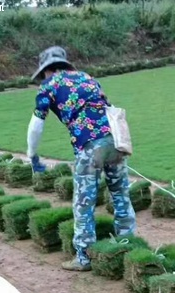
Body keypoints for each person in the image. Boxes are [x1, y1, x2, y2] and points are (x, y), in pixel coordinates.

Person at [27, 46, 136, 272]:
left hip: (89, 145)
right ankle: (128, 241)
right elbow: (108, 106)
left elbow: (37, 124)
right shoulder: (87, 78)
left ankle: (84, 257)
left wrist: (32, 153)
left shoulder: (48, 86)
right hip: (114, 141)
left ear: (46, 70)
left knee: (84, 201)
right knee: (120, 193)